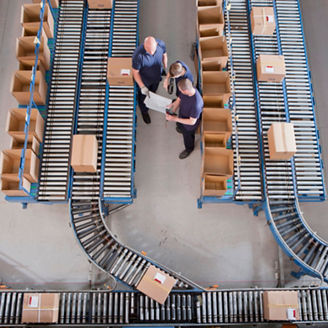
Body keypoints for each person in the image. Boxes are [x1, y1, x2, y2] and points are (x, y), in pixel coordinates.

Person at [132, 36, 168, 124]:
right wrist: (142, 86)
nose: (151, 53)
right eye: (149, 51)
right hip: (145, 81)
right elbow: (135, 73)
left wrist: (165, 66)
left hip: (156, 76)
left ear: (156, 44)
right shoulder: (137, 55)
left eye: (153, 51)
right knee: (143, 98)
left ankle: (152, 98)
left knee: (153, 91)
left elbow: (164, 54)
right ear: (144, 46)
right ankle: (144, 111)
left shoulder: (161, 44)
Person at [166, 78, 203, 159]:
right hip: (182, 116)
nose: (180, 92)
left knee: (187, 137)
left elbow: (192, 122)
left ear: (186, 90)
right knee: (180, 125)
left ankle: (189, 149)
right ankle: (180, 128)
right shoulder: (188, 90)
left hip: (189, 126)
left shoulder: (196, 104)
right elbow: (179, 99)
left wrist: (174, 118)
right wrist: (172, 107)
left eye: (181, 90)